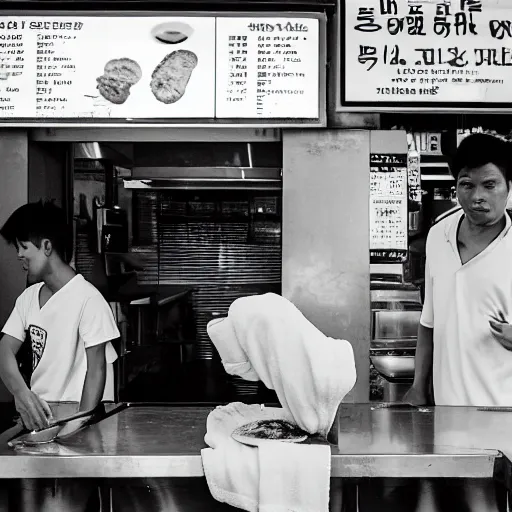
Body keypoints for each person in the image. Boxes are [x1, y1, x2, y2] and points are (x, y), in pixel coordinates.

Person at [404, 133, 512, 512]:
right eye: (466, 185)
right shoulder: (438, 237)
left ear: (508, 187)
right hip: (450, 408)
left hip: (504, 407)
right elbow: (428, 322)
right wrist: (419, 386)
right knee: (463, 500)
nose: (476, 196)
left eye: (489, 185)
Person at [0, 199, 119, 511]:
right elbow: (4, 350)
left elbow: (97, 369)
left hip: (73, 427)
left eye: (24, 246)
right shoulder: (28, 298)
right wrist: (21, 393)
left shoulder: (88, 300)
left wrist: (76, 429)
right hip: (35, 423)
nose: (19, 255)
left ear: (47, 246)